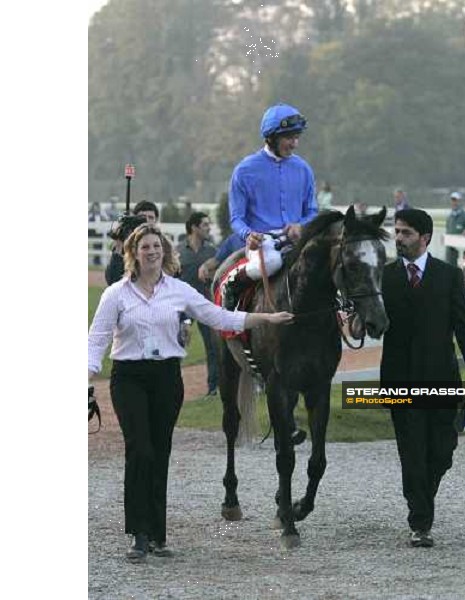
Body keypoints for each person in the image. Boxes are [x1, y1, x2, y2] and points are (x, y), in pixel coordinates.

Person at [88, 223, 293, 562]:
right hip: (130, 379)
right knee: (140, 450)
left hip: (167, 377)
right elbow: (96, 340)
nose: (151, 252)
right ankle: (138, 534)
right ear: (134, 254)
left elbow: (219, 316)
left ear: (165, 252)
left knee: (161, 451)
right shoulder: (117, 294)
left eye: (157, 247)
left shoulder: (179, 291)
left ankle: (157, 534)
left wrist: (266, 320)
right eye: (145, 248)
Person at [380, 209, 465, 548]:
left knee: (442, 452)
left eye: (406, 233)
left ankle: (422, 499)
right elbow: (368, 322)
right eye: (397, 232)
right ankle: (420, 521)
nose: (399, 238)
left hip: (442, 379)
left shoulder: (448, 276)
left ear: (425, 237)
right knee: (412, 452)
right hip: (399, 381)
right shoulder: (384, 277)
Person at [224, 102, 319, 310]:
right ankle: (233, 282)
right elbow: (236, 218)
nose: (294, 144)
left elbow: (312, 211)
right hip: (263, 242)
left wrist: (300, 226)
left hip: (297, 239)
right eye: (288, 138)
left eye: (296, 137)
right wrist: (249, 235)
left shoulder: (304, 169)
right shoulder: (245, 170)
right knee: (273, 263)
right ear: (271, 137)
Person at [177, 212, 220, 396]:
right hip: (183, 309)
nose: (208, 228)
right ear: (194, 227)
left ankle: (213, 388)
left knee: (213, 347)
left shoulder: (212, 252)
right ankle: (171, 387)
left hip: (205, 307)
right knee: (176, 346)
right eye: (204, 225)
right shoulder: (178, 252)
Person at [105, 201, 159, 285]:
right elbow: (112, 280)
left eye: (151, 218)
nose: (147, 221)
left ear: (156, 221)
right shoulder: (126, 247)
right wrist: (119, 244)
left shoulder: (163, 247)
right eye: (142, 218)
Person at [445, 192, 465, 266]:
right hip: (450, 252)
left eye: (456, 200)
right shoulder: (449, 217)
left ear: (460, 201)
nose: (454, 203)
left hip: (462, 252)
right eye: (452, 200)